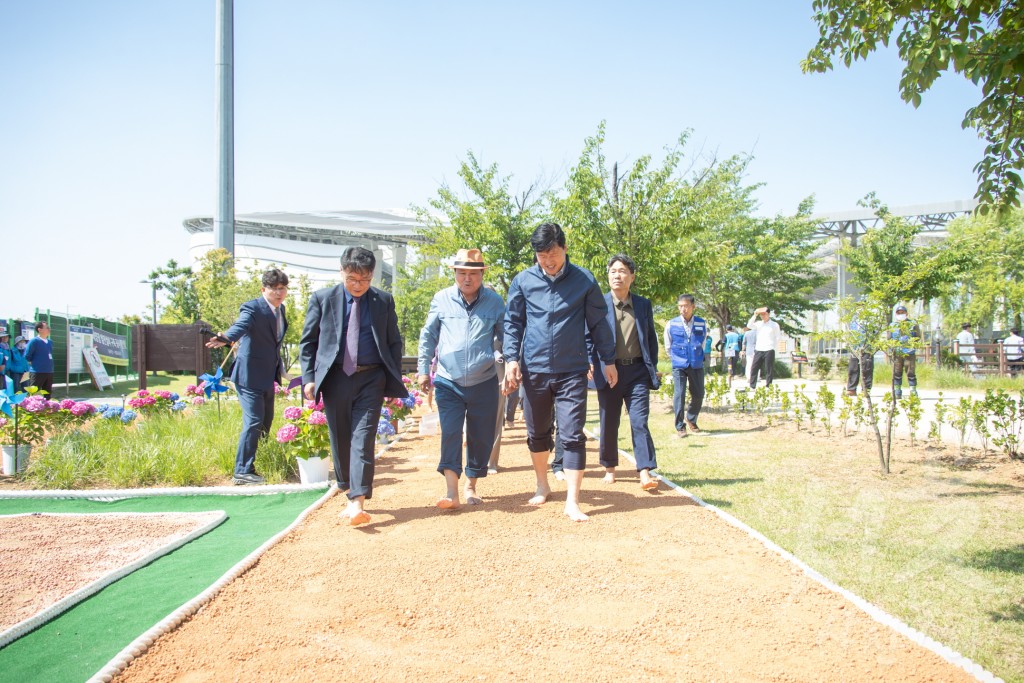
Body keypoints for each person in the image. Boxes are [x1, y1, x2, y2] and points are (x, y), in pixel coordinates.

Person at [502, 222, 617, 522]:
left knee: (572, 434)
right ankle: (542, 485)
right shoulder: (523, 281)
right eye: (542, 254)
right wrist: (512, 359)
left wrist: (608, 359)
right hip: (535, 369)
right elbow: (513, 323)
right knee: (537, 432)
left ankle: (573, 500)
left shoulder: (584, 280)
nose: (548, 260)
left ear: (565, 248)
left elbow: (598, 324)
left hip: (572, 370)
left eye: (553, 253)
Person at [300, 247, 408, 526]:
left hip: (372, 378)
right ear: (341, 272)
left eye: (364, 280)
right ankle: (347, 485)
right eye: (352, 279)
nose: (358, 286)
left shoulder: (383, 301)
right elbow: (308, 342)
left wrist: (391, 377)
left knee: (363, 438)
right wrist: (309, 377)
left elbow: (394, 341)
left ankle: (357, 501)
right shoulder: (322, 299)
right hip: (336, 378)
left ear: (372, 276)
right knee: (340, 437)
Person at [417, 248, 504, 509]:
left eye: (474, 274)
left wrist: (510, 363)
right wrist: (423, 369)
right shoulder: (441, 299)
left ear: (482, 274)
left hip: (484, 379)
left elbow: (506, 336)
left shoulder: (495, 302)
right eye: (463, 273)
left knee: (480, 436)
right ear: (455, 273)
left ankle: (471, 485)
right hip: (448, 380)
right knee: (451, 432)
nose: (468, 279)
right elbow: (428, 336)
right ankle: (451, 492)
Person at [206, 268, 290, 485]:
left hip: (267, 376)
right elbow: (240, 326)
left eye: (283, 288)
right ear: (264, 289)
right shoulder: (253, 308)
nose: (279, 293)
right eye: (274, 289)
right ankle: (242, 470)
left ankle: (259, 463)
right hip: (248, 376)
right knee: (253, 421)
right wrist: (225, 338)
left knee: (266, 422)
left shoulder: (281, 311)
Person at [589, 254, 660, 490]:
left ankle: (645, 471)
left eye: (622, 271)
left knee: (639, 421)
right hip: (608, 372)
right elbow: (588, 337)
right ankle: (610, 468)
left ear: (631, 277)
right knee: (609, 421)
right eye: (613, 271)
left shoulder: (643, 305)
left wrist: (652, 367)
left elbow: (650, 339)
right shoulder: (597, 304)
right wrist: (590, 363)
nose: (617, 275)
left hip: (637, 371)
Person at [664, 294, 707, 437]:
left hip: (696, 363)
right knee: (679, 394)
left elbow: (702, 343)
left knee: (699, 394)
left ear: (693, 307)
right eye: (680, 306)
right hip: (679, 365)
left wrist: (696, 356)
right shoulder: (671, 324)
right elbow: (668, 346)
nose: (683, 309)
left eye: (686, 306)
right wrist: (676, 359)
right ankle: (680, 426)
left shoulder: (701, 323)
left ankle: (691, 418)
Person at [889, 304, 920, 399]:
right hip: (897, 353)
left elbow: (918, 336)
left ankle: (913, 391)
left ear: (906, 313)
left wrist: (912, 345)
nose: (901, 314)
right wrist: (892, 348)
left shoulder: (913, 324)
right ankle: (897, 392)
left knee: (911, 372)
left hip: (909, 352)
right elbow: (889, 338)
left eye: (902, 312)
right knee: (897, 373)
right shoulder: (892, 325)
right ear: (896, 314)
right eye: (899, 313)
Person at [747, 307, 781, 389]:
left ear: (768, 314)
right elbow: (749, 325)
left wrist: (773, 346)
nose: (762, 316)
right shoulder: (758, 324)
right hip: (759, 349)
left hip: (769, 349)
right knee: (754, 367)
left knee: (768, 368)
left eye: (764, 314)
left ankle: (768, 386)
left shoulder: (774, 325)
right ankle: (752, 386)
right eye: (761, 314)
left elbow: (778, 337)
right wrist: (755, 315)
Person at [24, 322, 54, 397]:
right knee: (33, 394)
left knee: (47, 394)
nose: (49, 329)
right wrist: (36, 364)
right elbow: (27, 356)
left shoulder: (50, 342)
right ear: (39, 330)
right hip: (37, 372)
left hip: (49, 371)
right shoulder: (34, 341)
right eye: (47, 327)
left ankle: (47, 408)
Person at [846, 314, 873, 396]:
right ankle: (851, 389)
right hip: (855, 348)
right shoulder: (853, 322)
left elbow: (874, 334)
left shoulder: (870, 321)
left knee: (867, 369)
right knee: (853, 368)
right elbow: (849, 334)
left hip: (867, 348)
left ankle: (865, 389)